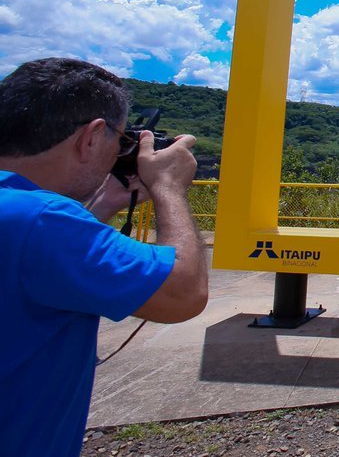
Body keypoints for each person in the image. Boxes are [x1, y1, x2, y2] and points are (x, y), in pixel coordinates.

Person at [0, 58, 208, 456]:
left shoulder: (27, 219)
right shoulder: (44, 221)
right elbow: (183, 292)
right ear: (92, 136)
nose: (119, 152)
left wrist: (107, 202)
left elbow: (45, 264)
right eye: (121, 140)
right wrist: (168, 188)